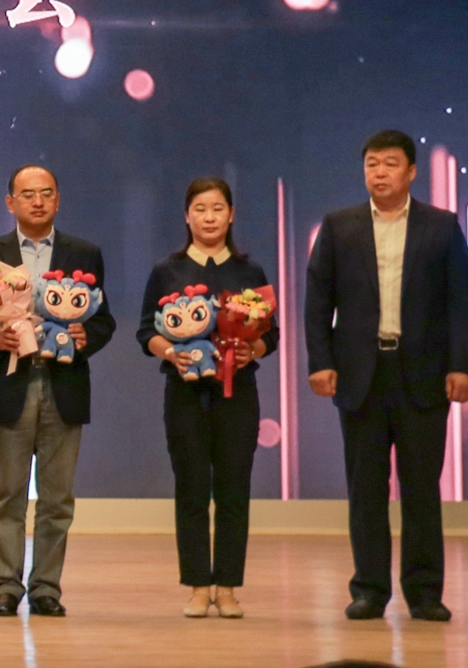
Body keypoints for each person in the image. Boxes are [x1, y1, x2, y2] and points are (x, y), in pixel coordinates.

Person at [305, 129, 468, 622]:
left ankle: (424, 593)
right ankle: (369, 589)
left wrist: (462, 365)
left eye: (390, 164)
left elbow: (463, 300)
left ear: (411, 171)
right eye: (372, 164)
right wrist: (320, 361)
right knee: (366, 487)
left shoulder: (440, 226)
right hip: (360, 373)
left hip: (422, 373)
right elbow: (317, 300)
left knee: (421, 487)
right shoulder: (340, 226)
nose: (379, 173)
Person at [0, 164, 114, 618]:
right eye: (27, 194)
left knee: (57, 499)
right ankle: (5, 587)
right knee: (8, 495)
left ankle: (46, 589)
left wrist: (85, 337)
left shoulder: (84, 253)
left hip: (64, 385)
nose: (37, 201)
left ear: (58, 200)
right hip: (11, 382)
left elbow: (104, 320)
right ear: (11, 202)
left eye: (46, 193)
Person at [138, 178, 273, 618]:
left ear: (231, 215)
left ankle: (228, 587)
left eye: (217, 208)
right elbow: (146, 330)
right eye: (200, 209)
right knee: (192, 488)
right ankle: (198, 586)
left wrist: (253, 349)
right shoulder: (167, 270)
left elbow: (270, 333)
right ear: (186, 216)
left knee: (234, 489)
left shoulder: (250, 272)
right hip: (185, 395)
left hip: (238, 395)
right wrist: (170, 352)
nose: (209, 217)